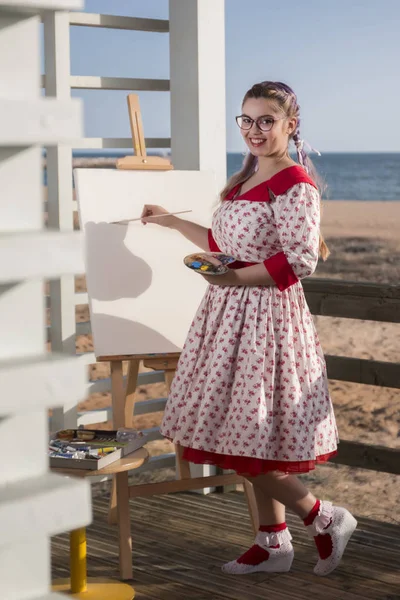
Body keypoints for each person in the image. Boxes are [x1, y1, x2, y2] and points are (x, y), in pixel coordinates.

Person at [141, 81, 357, 577]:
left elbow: (300, 260)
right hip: (227, 320)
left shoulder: (295, 183)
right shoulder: (249, 177)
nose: (255, 130)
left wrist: (232, 278)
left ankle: (325, 518)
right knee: (247, 439)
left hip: (266, 324)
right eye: (247, 120)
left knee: (246, 440)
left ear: (289, 126)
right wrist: (173, 222)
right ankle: (273, 543)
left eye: (266, 121)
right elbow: (224, 240)